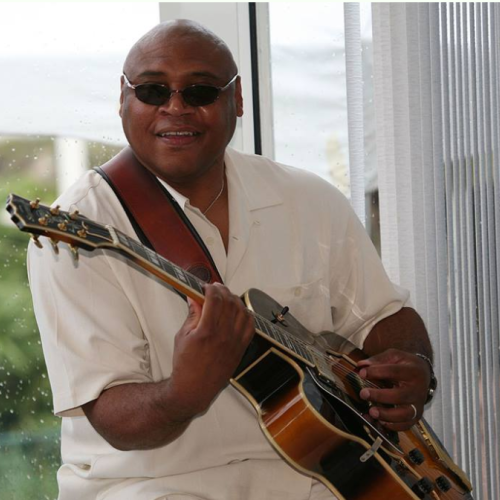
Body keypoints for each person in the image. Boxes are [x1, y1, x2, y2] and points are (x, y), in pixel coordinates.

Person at [28, 20, 434, 500]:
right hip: (152, 485)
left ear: (236, 99)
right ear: (123, 99)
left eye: (199, 90)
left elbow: (384, 315)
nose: (175, 107)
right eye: (152, 90)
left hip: (322, 475)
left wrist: (414, 368)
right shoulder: (76, 230)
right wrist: (184, 392)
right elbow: (117, 422)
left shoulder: (308, 199)